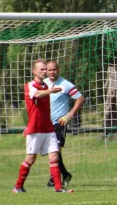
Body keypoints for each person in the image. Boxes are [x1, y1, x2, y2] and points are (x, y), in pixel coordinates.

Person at [12, 59, 72, 193]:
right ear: (34, 71)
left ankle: (58, 187)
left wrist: (49, 90)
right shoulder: (30, 85)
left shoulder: (45, 86)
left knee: (55, 155)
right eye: (42, 69)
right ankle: (18, 186)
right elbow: (36, 94)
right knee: (31, 158)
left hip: (48, 127)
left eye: (45, 69)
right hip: (36, 128)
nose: (45, 71)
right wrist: (51, 91)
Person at [44, 60, 84, 188]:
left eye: (54, 69)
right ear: (46, 71)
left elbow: (80, 98)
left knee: (55, 150)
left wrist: (70, 114)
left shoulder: (65, 84)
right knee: (51, 151)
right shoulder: (43, 85)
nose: (52, 72)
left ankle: (53, 178)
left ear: (58, 70)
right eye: (49, 70)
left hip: (60, 122)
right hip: (45, 122)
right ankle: (64, 174)